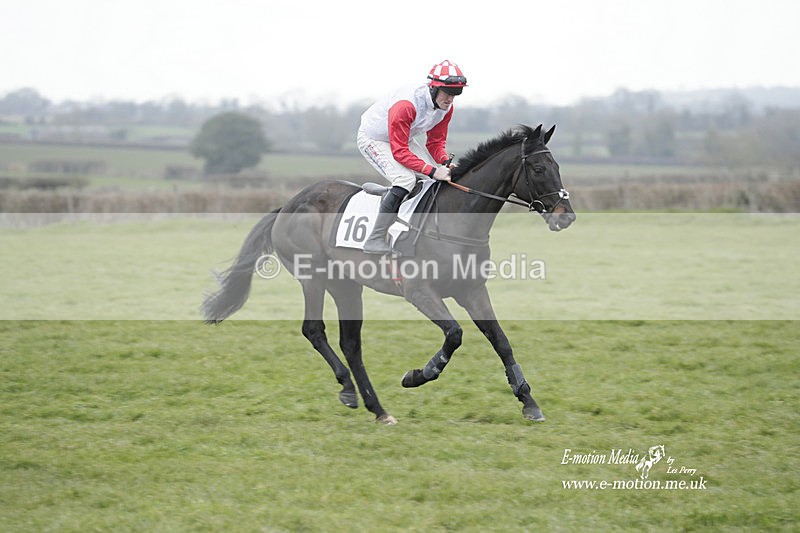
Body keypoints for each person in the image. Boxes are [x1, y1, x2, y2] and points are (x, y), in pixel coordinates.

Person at [357, 59, 467, 254]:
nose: (451, 99)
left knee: (430, 181)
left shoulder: (445, 108)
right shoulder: (406, 105)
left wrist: (444, 162)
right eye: (448, 92)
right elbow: (399, 152)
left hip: (402, 139)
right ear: (433, 88)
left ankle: (419, 229)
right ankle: (374, 239)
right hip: (374, 138)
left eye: (457, 93)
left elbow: (435, 143)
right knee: (405, 179)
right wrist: (433, 170)